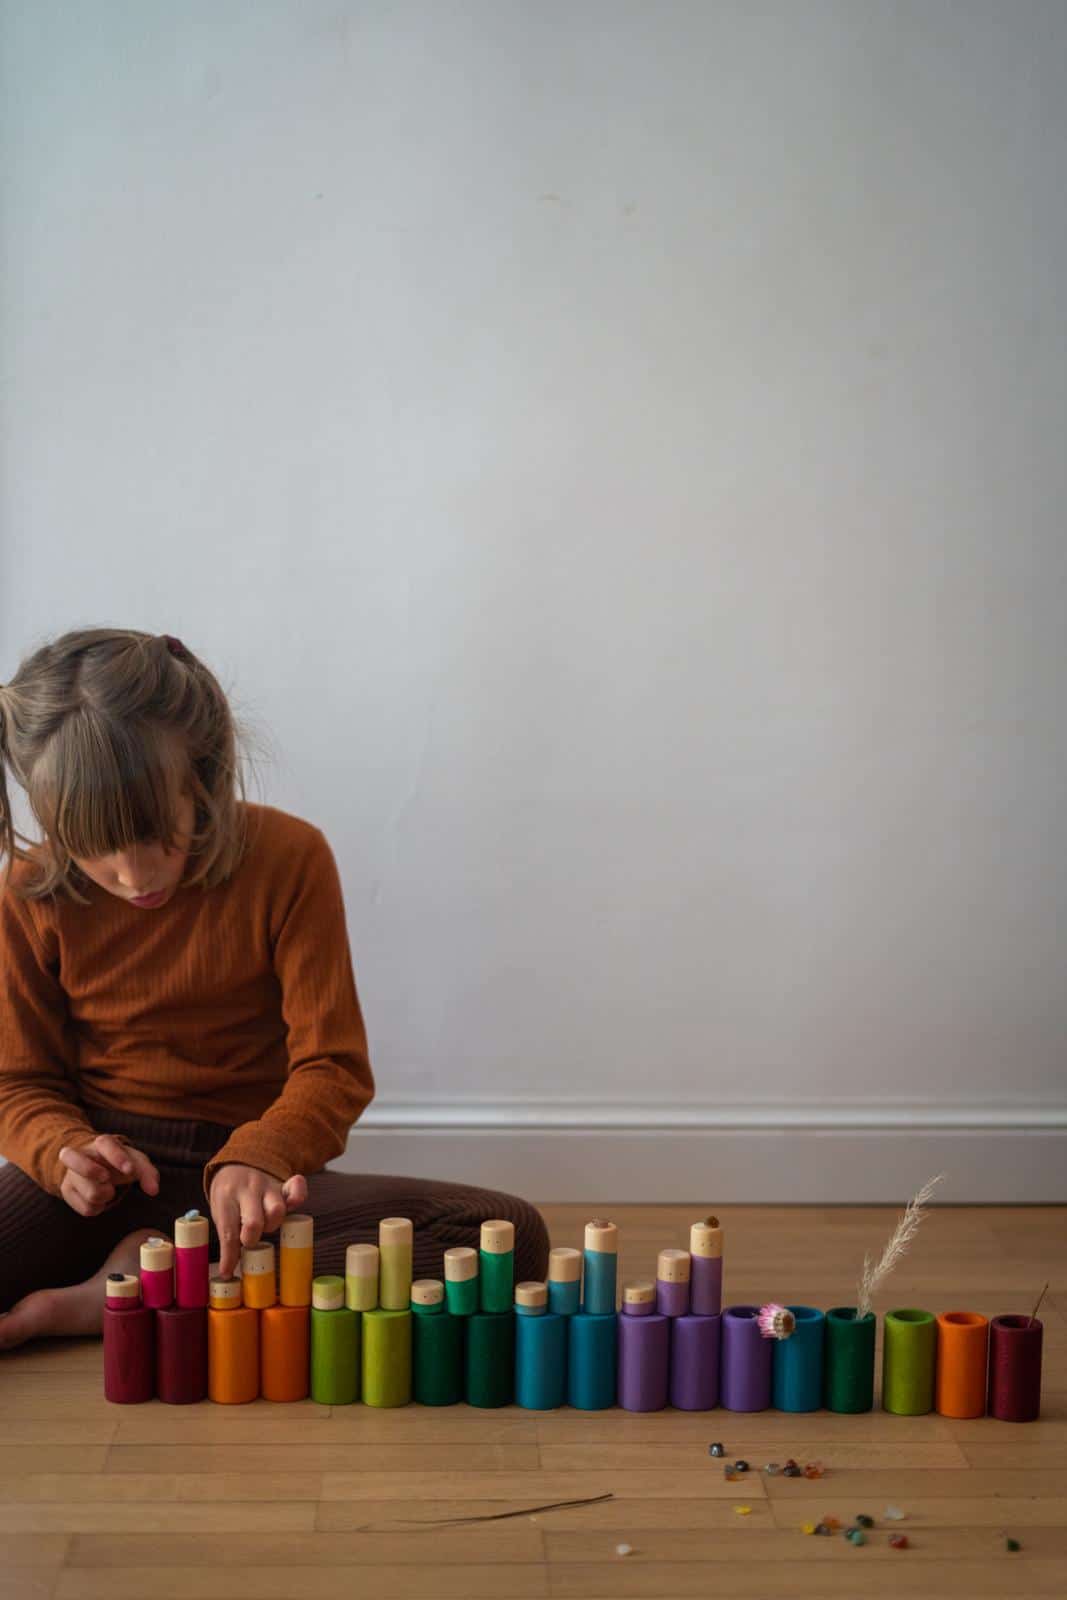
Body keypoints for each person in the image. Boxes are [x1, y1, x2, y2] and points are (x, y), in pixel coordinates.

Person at [0, 627, 548, 1347]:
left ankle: (130, 1291)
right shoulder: (29, 892)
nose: (133, 875)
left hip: (254, 1186)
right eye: (93, 846)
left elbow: (334, 1067)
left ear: (203, 776)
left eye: (159, 833)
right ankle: (175, 1282)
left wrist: (262, 1154)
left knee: (504, 1236)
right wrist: (64, 1152)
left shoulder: (289, 859)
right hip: (107, 1184)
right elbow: (19, 1082)